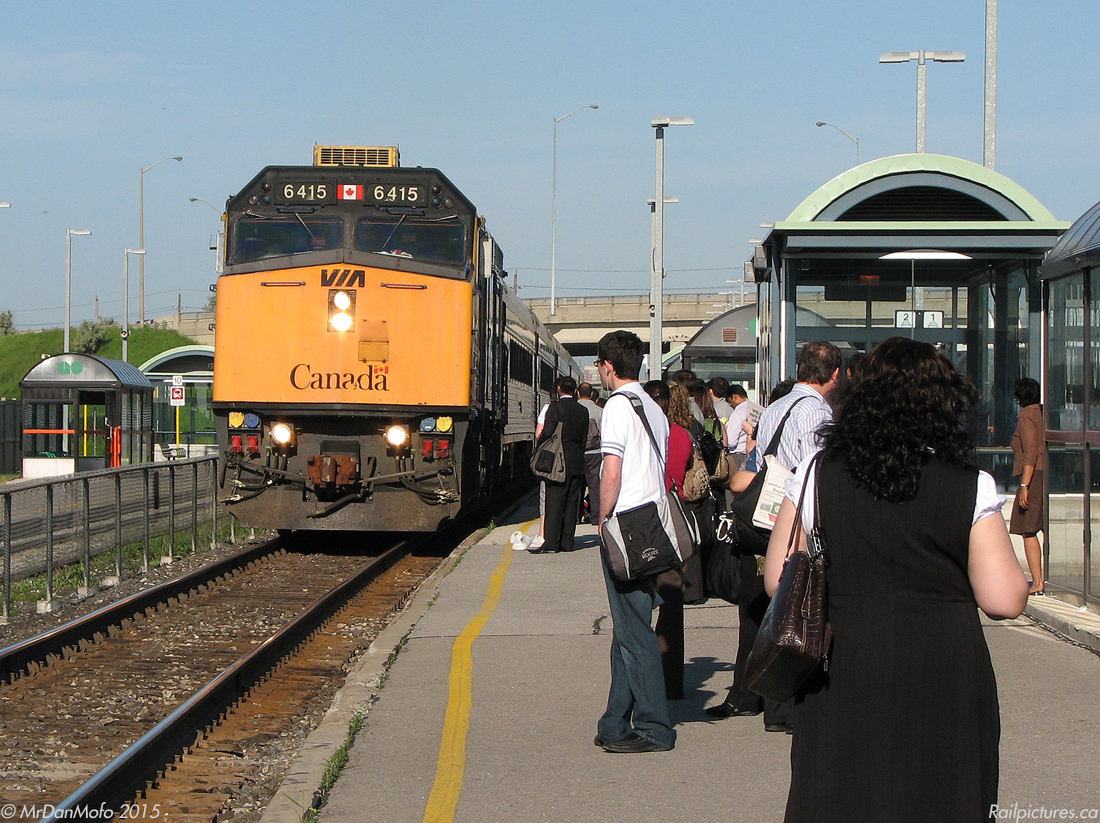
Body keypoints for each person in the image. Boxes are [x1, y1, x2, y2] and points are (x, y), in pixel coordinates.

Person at [764, 337, 1028, 822]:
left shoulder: (816, 472)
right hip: (942, 664)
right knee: (942, 791)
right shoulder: (971, 484)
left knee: (841, 789)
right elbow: (1004, 599)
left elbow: (775, 578)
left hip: (841, 661)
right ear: (943, 403)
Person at [709, 341, 841, 731]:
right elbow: (814, 473)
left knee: (753, 609)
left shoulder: (775, 408)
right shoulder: (818, 411)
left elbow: (758, 460)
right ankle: (781, 705)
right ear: (834, 374)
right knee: (794, 606)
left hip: (759, 519)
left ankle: (745, 694)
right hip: (793, 520)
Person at [593, 331, 676, 753]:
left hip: (626, 526)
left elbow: (612, 470)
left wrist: (601, 519)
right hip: (653, 528)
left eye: (599, 367)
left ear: (608, 367)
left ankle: (654, 727)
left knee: (635, 632)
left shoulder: (616, 407)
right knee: (629, 628)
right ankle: (613, 722)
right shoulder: (653, 408)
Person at [643, 379, 689, 701]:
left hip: (647, 525)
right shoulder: (680, 433)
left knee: (639, 604)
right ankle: (670, 681)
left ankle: (645, 680)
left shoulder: (646, 433)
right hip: (673, 523)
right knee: (671, 605)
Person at [531, 376, 588, 554]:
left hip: (558, 463)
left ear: (558, 388)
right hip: (577, 462)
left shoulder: (555, 408)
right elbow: (584, 438)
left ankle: (552, 543)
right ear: (575, 391)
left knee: (554, 502)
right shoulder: (582, 410)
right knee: (572, 504)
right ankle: (567, 543)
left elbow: (547, 432)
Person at [1010, 377, 1045, 595]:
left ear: (1019, 397)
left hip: (1034, 476)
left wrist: (1024, 484)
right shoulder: (1041, 413)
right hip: (1043, 473)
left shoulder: (1026, 415)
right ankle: (1039, 580)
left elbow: (1030, 452)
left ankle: (1038, 581)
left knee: (1029, 529)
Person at [577, 382, 603, 526]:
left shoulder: (575, 409)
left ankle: (576, 516)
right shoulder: (599, 411)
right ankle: (596, 517)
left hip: (578, 453)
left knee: (576, 486)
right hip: (595, 453)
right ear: (592, 394)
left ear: (578, 393)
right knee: (594, 486)